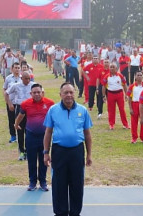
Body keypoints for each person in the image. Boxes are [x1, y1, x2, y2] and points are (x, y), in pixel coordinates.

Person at [43, 82, 93, 216]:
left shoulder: (82, 110)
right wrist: (46, 153)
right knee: (59, 183)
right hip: (59, 151)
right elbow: (48, 132)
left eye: (71, 92)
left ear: (74, 94)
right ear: (60, 95)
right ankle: (60, 212)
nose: (69, 95)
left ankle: (75, 212)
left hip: (77, 151)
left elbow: (87, 134)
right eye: (66, 93)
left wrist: (89, 155)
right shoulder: (53, 110)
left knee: (77, 183)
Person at [14, 83, 55, 191]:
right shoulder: (25, 104)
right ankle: (32, 182)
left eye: (38, 92)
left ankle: (43, 182)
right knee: (31, 160)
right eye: (34, 93)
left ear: (42, 92)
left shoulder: (50, 103)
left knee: (44, 159)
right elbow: (21, 115)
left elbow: (55, 118)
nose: (37, 94)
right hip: (30, 136)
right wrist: (16, 124)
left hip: (44, 137)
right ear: (30, 94)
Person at [6, 71, 34, 160]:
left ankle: (29, 151)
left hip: (30, 109)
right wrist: (10, 103)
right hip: (20, 108)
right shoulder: (16, 85)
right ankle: (21, 152)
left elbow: (42, 92)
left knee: (29, 131)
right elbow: (6, 93)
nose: (28, 80)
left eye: (29, 78)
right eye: (26, 78)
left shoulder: (33, 85)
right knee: (20, 130)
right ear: (22, 78)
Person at [102, 63, 129, 130]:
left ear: (116, 68)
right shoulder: (107, 76)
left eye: (113, 67)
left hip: (119, 94)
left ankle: (125, 124)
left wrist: (126, 94)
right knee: (111, 110)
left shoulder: (120, 76)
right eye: (110, 67)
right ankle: (111, 124)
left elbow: (124, 85)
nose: (111, 68)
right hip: (110, 94)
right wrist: (104, 96)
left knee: (122, 109)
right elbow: (103, 86)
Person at [127, 72, 143, 144]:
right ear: (135, 77)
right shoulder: (132, 86)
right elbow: (129, 98)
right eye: (138, 75)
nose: (139, 76)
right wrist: (130, 108)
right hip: (135, 104)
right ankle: (134, 137)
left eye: (140, 75)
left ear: (142, 76)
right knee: (134, 122)